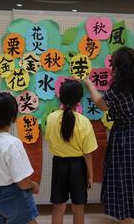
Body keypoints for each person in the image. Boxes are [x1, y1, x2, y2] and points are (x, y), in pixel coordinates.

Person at [84, 47, 134, 224]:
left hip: (128, 138)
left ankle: (128, 218)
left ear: (118, 67)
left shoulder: (119, 87)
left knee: (126, 179)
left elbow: (101, 104)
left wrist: (89, 83)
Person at [0, 92, 39, 224]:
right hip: (15, 195)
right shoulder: (13, 143)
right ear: (13, 116)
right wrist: (33, 185)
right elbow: (22, 182)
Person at [45, 79, 98, 224]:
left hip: (59, 164)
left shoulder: (51, 118)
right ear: (79, 99)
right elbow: (88, 153)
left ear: (60, 96)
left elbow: (49, 139)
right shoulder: (84, 121)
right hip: (78, 166)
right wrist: (91, 176)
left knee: (59, 206)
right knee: (78, 207)